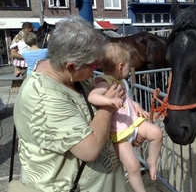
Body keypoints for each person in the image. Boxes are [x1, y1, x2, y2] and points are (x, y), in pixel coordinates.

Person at [14, 15, 144, 192]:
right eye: (93, 65)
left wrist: (127, 133)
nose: (96, 70)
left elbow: (97, 119)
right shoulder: (43, 96)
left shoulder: (72, 77)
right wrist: (108, 106)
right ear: (70, 66)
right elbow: (89, 150)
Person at [88, 42, 163, 192]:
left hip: (133, 122)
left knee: (157, 133)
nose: (130, 70)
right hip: (119, 133)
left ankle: (152, 160)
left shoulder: (120, 82)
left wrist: (137, 106)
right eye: (129, 66)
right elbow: (92, 96)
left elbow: (127, 100)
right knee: (133, 166)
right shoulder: (106, 81)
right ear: (121, 66)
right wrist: (108, 101)